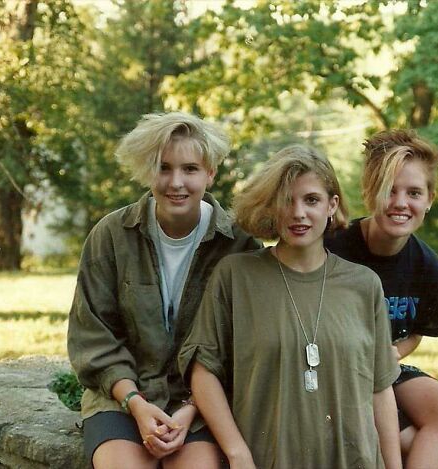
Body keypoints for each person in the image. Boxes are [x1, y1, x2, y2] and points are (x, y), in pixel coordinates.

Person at [179, 145, 403, 469]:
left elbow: (380, 389)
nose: (298, 213)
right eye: (287, 200)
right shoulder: (236, 276)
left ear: (332, 205)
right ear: (271, 207)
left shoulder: (364, 284)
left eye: (311, 200)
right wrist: (237, 452)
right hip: (266, 458)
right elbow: (202, 370)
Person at [67, 111, 260, 469]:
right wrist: (136, 404)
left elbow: (244, 347)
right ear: (147, 170)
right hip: (122, 400)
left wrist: (190, 410)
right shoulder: (110, 236)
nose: (176, 182)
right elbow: (93, 338)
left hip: (205, 406)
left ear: (210, 173)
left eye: (190, 169)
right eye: (164, 167)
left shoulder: (240, 245)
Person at [325, 129, 438, 469]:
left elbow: (415, 333)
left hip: (386, 369)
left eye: (414, 192)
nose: (401, 203)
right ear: (369, 192)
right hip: (335, 375)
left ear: (429, 199)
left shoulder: (427, 265)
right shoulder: (333, 248)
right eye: (389, 191)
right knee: (409, 442)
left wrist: (393, 353)